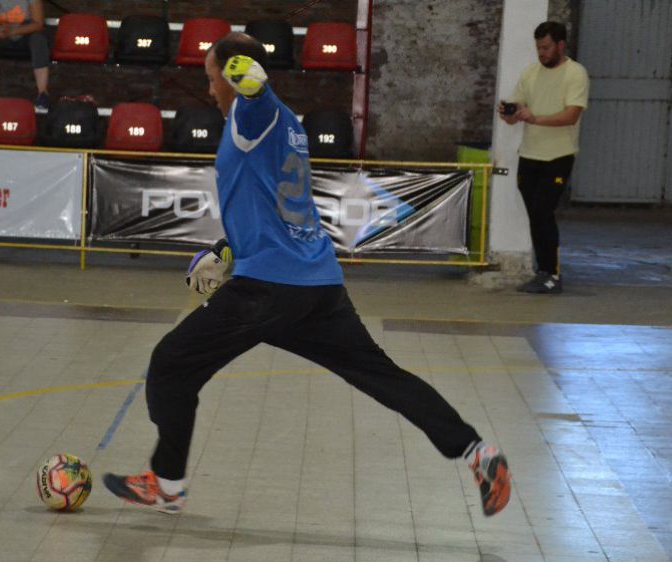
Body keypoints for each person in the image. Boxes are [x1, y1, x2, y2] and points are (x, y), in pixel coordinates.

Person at [103, 33, 512, 518]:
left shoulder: (253, 113)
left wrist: (245, 76)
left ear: (232, 76)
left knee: (170, 363)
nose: (210, 89)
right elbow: (274, 203)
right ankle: (477, 452)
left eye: (212, 78)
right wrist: (229, 250)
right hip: (315, 284)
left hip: (269, 290)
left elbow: (254, 90)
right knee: (382, 376)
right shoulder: (289, 124)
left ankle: (167, 485)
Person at [499, 21, 589, 294]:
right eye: (538, 47)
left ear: (561, 45)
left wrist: (535, 118)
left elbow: (571, 115)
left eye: (546, 47)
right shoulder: (530, 74)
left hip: (558, 156)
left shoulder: (576, 74)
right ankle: (543, 272)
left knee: (543, 212)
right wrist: (509, 113)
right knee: (535, 216)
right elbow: (516, 114)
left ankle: (552, 274)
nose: (541, 52)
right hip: (529, 155)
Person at [0, 0, 51, 109]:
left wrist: (12, 31)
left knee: (39, 40)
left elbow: (38, 23)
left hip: (25, 33)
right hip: (1, 33)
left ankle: (43, 93)